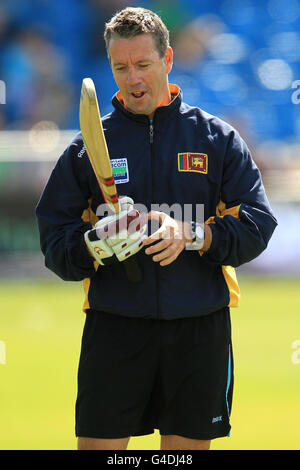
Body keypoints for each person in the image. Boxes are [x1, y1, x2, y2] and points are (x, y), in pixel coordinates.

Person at [36, 7, 277, 451]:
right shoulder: (87, 148)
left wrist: (192, 235)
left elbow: (258, 224)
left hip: (198, 329)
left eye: (143, 64)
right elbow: (54, 241)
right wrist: (95, 245)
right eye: (121, 67)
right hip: (114, 328)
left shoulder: (216, 139)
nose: (133, 78)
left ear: (167, 60)